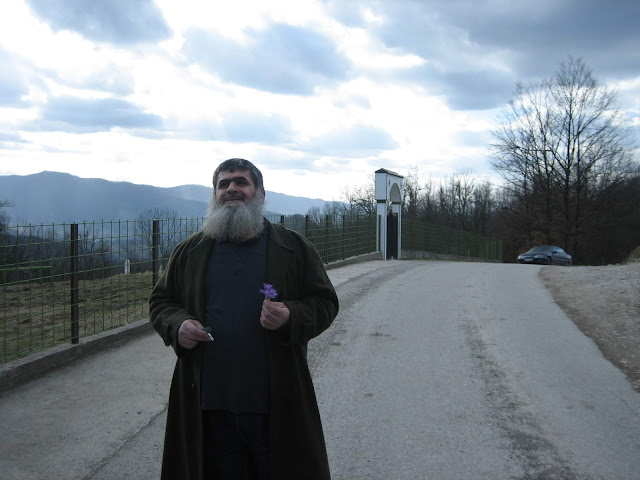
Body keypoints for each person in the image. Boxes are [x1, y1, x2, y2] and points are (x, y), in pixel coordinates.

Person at [149, 158, 339, 480]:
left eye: (241, 182)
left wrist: (291, 315)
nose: (231, 189)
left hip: (274, 402)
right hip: (208, 405)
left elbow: (325, 303)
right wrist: (177, 324)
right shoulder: (189, 252)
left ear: (260, 194)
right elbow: (161, 302)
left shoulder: (294, 248)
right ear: (214, 195)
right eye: (223, 184)